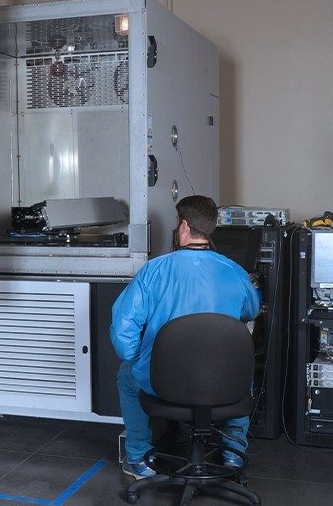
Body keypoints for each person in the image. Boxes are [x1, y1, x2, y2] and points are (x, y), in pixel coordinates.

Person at [110, 195, 260, 479]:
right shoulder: (235, 272)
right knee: (245, 374)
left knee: (126, 376)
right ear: (210, 228)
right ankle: (232, 457)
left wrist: (138, 359)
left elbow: (122, 333)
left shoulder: (154, 271)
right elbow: (250, 310)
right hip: (224, 381)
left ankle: (139, 460)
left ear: (183, 226)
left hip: (164, 382)